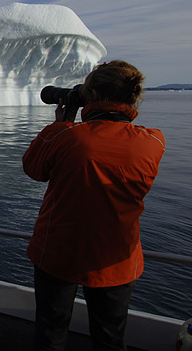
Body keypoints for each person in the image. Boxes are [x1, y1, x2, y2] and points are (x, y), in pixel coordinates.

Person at [23, 61, 165, 351]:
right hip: (117, 261)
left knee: (51, 334)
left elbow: (33, 168)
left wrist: (62, 120)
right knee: (110, 339)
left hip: (58, 254)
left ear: (93, 94)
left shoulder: (66, 137)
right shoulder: (153, 141)